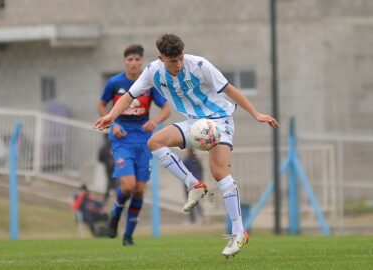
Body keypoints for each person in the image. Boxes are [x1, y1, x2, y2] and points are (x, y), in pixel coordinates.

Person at [94, 34, 279, 257]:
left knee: (219, 172)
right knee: (155, 142)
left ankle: (239, 231)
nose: (179, 64)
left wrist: (256, 113)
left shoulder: (200, 65)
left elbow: (230, 90)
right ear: (161, 58)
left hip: (219, 119)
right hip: (194, 123)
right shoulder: (153, 71)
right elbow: (128, 96)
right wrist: (111, 116)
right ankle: (194, 185)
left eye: (180, 58)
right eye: (173, 61)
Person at [97, 44, 171, 246]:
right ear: (124, 62)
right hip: (122, 141)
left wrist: (155, 121)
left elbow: (166, 108)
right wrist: (112, 123)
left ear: (142, 61)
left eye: (137, 60)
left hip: (144, 141)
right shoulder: (115, 83)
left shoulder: (147, 84)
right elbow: (101, 104)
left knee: (139, 190)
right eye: (130, 60)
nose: (134, 63)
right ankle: (115, 216)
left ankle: (128, 235)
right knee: (128, 186)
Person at [182, 148, 204, 225]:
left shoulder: (186, 161)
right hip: (198, 183)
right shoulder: (197, 160)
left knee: (190, 202)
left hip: (189, 185)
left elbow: (183, 173)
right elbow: (201, 171)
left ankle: (192, 220)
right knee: (196, 201)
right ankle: (202, 217)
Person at [98, 134, 115, 205]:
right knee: (112, 183)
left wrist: (107, 162)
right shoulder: (114, 145)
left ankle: (105, 200)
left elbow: (100, 158)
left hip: (110, 167)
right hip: (114, 167)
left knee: (111, 183)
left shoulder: (104, 147)